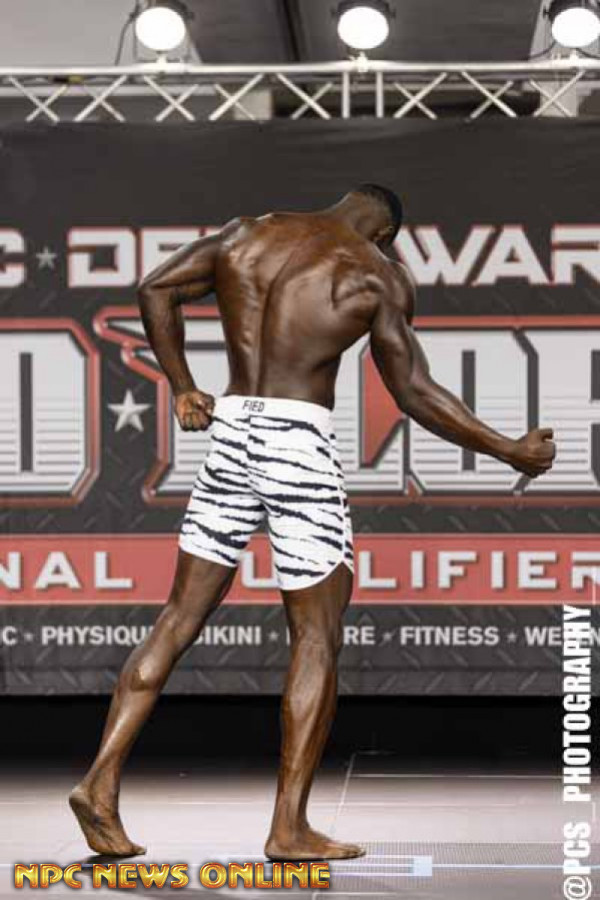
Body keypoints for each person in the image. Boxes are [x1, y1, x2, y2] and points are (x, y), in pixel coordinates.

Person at [70, 185, 556, 860]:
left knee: (177, 618)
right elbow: (413, 390)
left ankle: (99, 784)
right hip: (297, 443)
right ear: (385, 233)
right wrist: (508, 449)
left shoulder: (246, 233)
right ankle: (289, 827)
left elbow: (155, 288)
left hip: (230, 431)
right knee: (317, 636)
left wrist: (182, 385)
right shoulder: (375, 274)